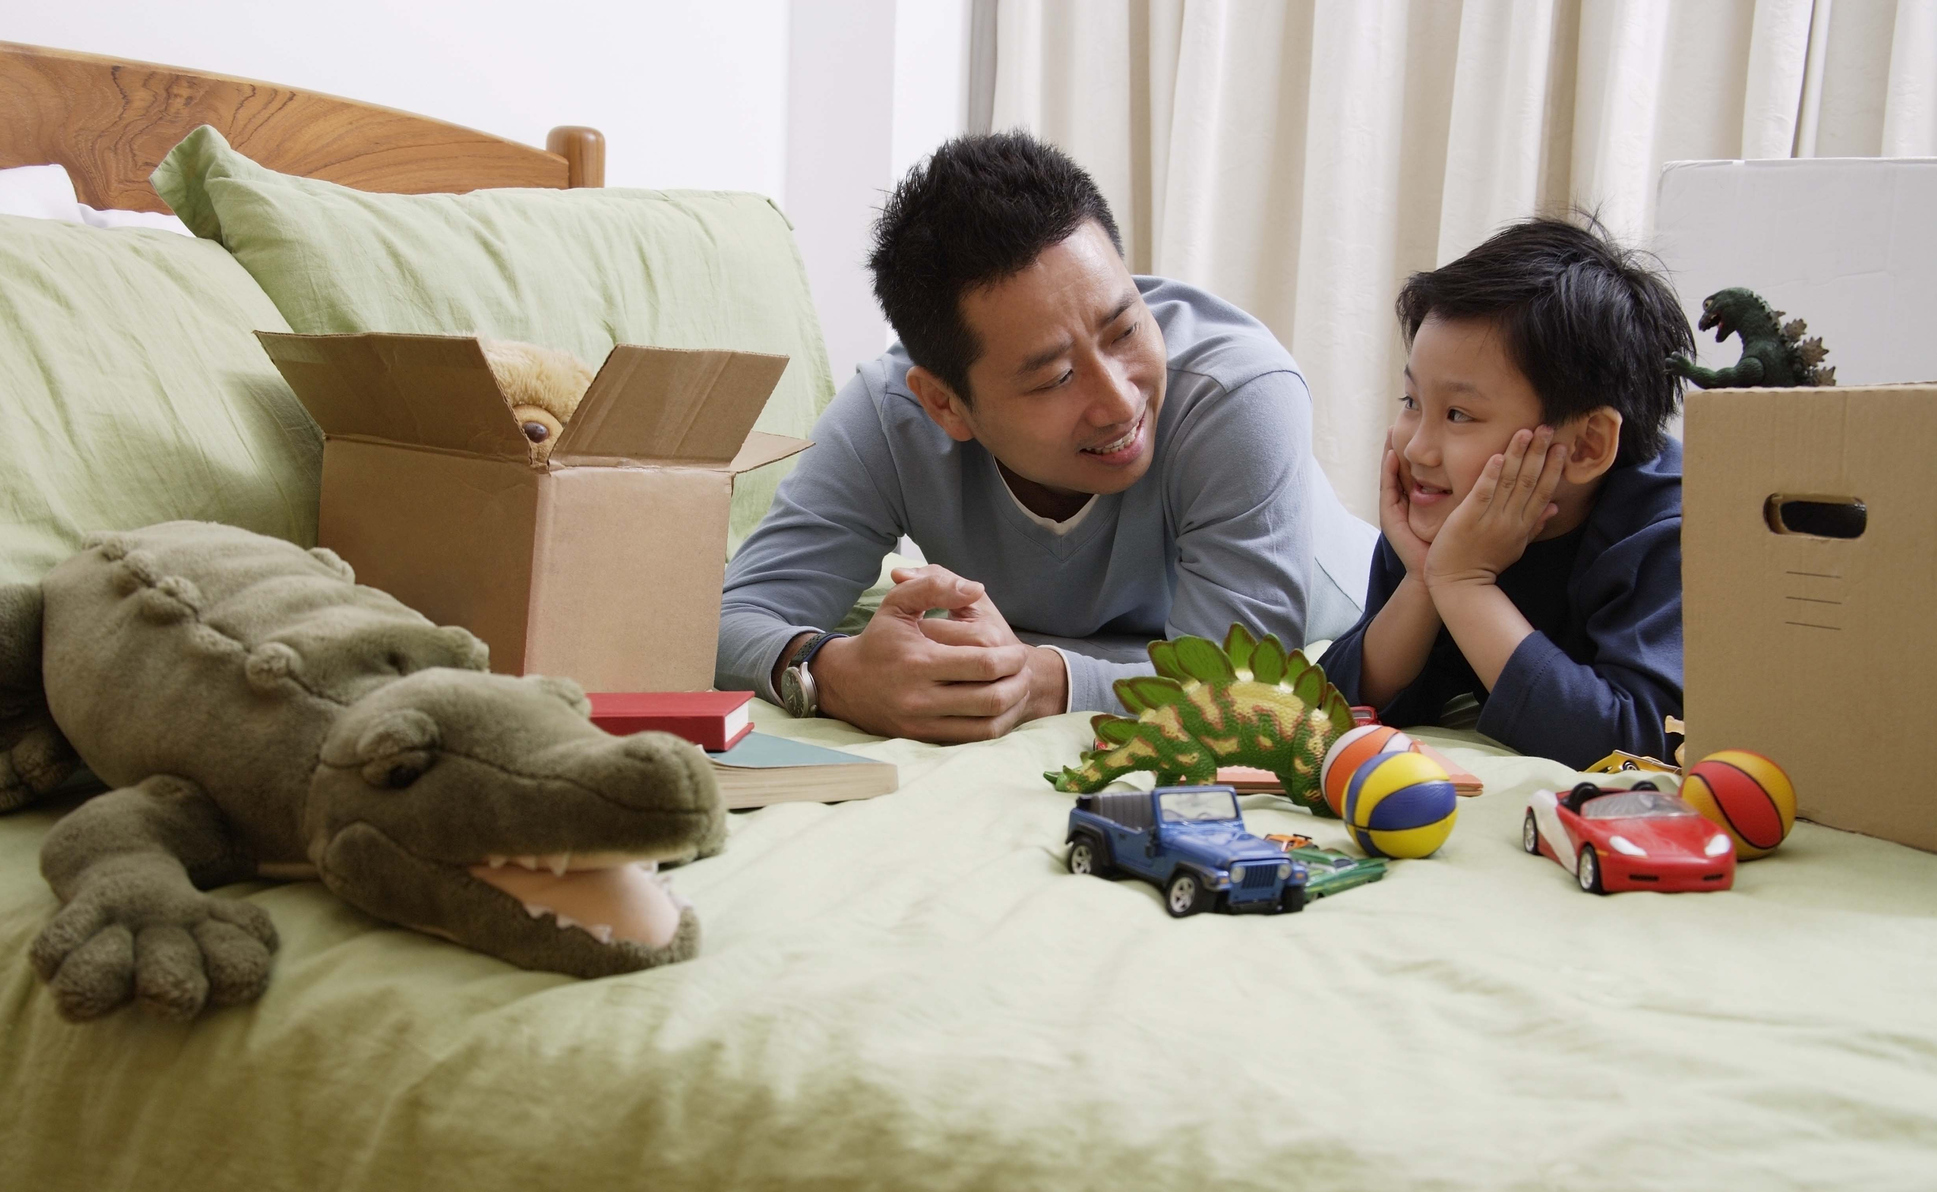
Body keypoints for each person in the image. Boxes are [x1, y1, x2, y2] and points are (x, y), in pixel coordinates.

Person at [716, 132, 1373, 743]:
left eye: (1124, 331)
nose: (1119, 402)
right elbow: (726, 619)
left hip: (1344, 626)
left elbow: (1239, 688)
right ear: (945, 404)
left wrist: (1041, 682)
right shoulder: (887, 419)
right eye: (1055, 377)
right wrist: (827, 673)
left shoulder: (1237, 392)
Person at [1316, 217, 1693, 768]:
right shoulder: (1442, 515)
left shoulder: (1671, 532)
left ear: (1587, 446)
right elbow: (1325, 710)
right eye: (1411, 401)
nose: (1417, 448)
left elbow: (1633, 745)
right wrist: (1424, 580)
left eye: (1459, 414)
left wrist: (1463, 583)